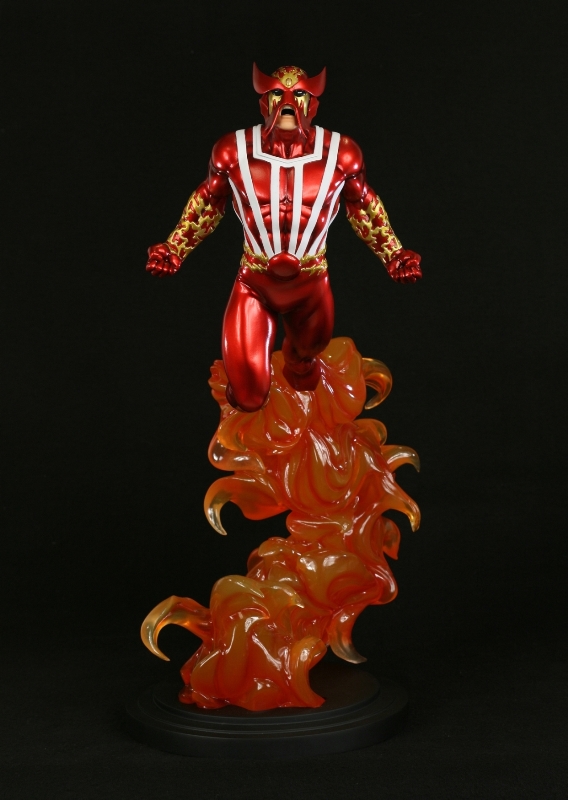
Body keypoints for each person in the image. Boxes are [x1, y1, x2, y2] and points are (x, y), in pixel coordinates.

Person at [146, 64, 422, 412]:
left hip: (311, 284)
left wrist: (393, 253)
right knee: (248, 397)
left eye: (299, 94)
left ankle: (300, 375)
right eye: (278, 93)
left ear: (313, 103)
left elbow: (363, 207)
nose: (288, 102)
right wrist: (175, 246)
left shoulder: (341, 153)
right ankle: (251, 413)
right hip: (255, 283)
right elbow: (208, 203)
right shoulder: (233, 151)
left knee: (305, 360)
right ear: (264, 101)